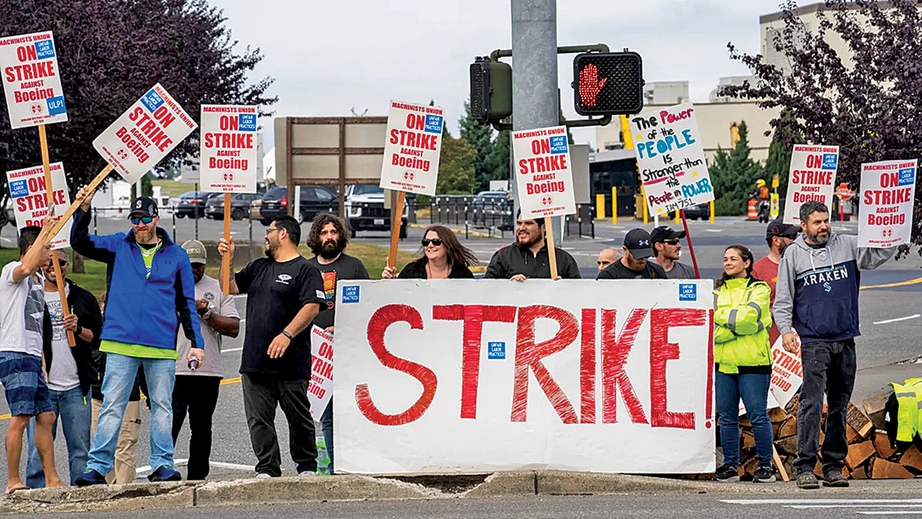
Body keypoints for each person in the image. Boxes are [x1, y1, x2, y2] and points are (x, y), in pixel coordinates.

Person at [71, 193, 205, 486]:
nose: (140, 224)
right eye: (135, 219)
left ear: (157, 218)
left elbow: (186, 303)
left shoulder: (177, 255)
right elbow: (80, 243)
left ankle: (162, 465)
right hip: (120, 341)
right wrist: (83, 209)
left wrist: (197, 343)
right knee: (112, 405)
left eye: (145, 218)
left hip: (161, 345)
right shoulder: (118, 245)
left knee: (162, 406)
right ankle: (97, 466)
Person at [774, 201, 896, 489]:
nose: (824, 226)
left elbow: (875, 256)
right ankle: (804, 466)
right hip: (814, 341)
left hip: (845, 339)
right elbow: (783, 300)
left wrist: (892, 235)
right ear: (803, 225)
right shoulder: (793, 255)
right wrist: (785, 331)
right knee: (812, 405)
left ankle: (833, 466)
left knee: (839, 407)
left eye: (826, 221)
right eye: (817, 222)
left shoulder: (847, 245)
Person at [218, 216, 326, 478]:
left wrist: (286, 334)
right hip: (256, 362)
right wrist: (227, 258)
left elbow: (311, 306)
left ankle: (307, 466)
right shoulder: (258, 267)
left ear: (284, 234)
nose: (266, 236)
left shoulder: (305, 270)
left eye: (270, 231)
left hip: (291, 363)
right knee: (259, 420)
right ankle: (267, 468)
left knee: (298, 418)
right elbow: (228, 288)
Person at [25, 249, 102, 487]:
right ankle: (36, 491)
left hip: (76, 387)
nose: (54, 267)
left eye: (61, 263)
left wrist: (78, 329)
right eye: (49, 262)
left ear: (67, 265)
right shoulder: (31, 297)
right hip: (42, 387)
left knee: (80, 447)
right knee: (37, 449)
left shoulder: (82, 298)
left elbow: (99, 338)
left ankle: (80, 492)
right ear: (41, 265)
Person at [0, 223, 67, 493]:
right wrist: (44, 231)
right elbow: (25, 268)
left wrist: (41, 360)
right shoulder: (12, 271)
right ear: (32, 248)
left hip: (31, 356)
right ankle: (13, 480)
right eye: (47, 247)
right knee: (21, 416)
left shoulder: (38, 282)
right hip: (15, 353)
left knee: (46, 416)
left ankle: (51, 477)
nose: (50, 252)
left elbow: (37, 326)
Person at [306, 213, 369, 474]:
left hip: (348, 351)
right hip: (315, 356)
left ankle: (357, 465)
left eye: (333, 232)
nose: (329, 237)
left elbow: (369, 306)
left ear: (341, 236)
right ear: (315, 238)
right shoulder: (305, 268)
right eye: (324, 233)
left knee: (354, 414)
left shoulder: (354, 267)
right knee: (326, 416)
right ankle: (334, 469)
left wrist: (343, 327)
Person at [172, 240, 240, 481]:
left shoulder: (218, 288)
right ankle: (163, 472)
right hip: (175, 369)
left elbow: (233, 328)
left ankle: (197, 477)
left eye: (199, 265)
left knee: (201, 429)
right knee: (168, 426)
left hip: (207, 370)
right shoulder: (169, 286)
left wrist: (207, 313)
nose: (194, 270)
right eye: (189, 265)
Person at [712, 245, 775, 484]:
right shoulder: (718, 291)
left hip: (753, 363)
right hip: (725, 364)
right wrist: (734, 326)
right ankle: (730, 466)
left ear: (747, 263)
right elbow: (714, 325)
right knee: (727, 418)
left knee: (758, 416)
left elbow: (752, 320)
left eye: (733, 259)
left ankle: (765, 466)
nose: (728, 263)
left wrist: (724, 323)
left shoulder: (759, 289)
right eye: (725, 259)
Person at [90, 291, 146, 485]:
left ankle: (125, 489)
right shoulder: (96, 329)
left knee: (125, 445)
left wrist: (148, 393)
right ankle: (109, 492)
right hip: (99, 396)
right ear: (103, 305)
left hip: (128, 395)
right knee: (103, 446)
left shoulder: (135, 328)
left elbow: (145, 363)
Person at [484, 214, 580, 280]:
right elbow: (487, 291)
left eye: (528, 223)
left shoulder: (563, 259)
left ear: (544, 227)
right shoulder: (503, 257)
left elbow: (578, 293)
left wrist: (565, 287)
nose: (521, 228)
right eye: (519, 223)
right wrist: (508, 286)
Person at [751, 218, 800, 345]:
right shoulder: (757, 270)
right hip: (773, 341)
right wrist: (779, 311)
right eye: (791, 236)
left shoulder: (802, 265)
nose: (796, 240)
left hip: (805, 338)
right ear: (776, 240)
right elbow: (751, 309)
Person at [382, 225, 477, 279]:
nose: (430, 246)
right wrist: (390, 281)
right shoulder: (411, 271)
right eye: (426, 242)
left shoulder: (462, 274)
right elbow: (398, 297)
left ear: (447, 244)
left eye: (436, 242)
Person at [597, 229, 667, 279]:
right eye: (638, 256)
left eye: (646, 256)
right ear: (625, 250)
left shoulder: (656, 271)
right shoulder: (609, 275)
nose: (643, 260)